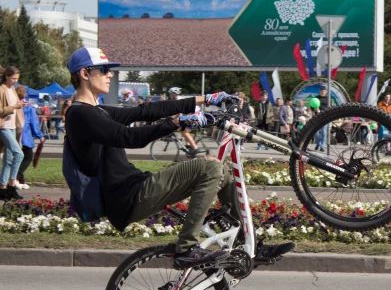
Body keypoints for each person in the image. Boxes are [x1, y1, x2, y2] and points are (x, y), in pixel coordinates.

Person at [64, 47, 293, 268]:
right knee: (209, 167)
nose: (109, 74)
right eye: (103, 70)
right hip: (127, 197)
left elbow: (146, 110)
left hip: (136, 187)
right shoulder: (79, 115)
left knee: (224, 171)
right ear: (85, 74)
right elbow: (128, 137)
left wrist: (205, 99)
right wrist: (178, 123)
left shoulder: (98, 111)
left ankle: (247, 245)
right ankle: (186, 249)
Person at [0, 66, 25, 200]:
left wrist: (20, 105)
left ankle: (2, 189)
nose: (15, 81)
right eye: (13, 78)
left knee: (9, 159)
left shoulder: (13, 90)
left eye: (17, 79)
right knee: (19, 154)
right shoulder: (1, 90)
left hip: (12, 126)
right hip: (3, 126)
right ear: (7, 76)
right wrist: (14, 107)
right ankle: (11, 186)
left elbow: (16, 106)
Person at [15, 85, 44, 190]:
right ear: (25, 94)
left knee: (17, 158)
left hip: (14, 134)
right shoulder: (28, 107)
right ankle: (17, 176)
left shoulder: (14, 105)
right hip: (25, 135)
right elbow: (34, 123)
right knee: (28, 157)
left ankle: (21, 180)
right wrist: (40, 136)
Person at [167, 87, 199, 156]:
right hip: (192, 115)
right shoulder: (178, 99)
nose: (170, 96)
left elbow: (178, 113)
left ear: (174, 94)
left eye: (170, 94)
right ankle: (188, 146)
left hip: (194, 115)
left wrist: (172, 118)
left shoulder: (178, 100)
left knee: (185, 132)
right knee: (182, 129)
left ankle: (195, 148)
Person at [314, 85, 329, 151]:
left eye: (324, 91)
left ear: (326, 92)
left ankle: (322, 146)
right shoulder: (316, 98)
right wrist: (314, 108)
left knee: (323, 132)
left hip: (324, 117)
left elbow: (329, 108)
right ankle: (318, 143)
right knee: (315, 132)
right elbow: (312, 106)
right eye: (321, 91)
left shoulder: (327, 99)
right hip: (317, 117)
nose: (323, 92)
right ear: (320, 91)